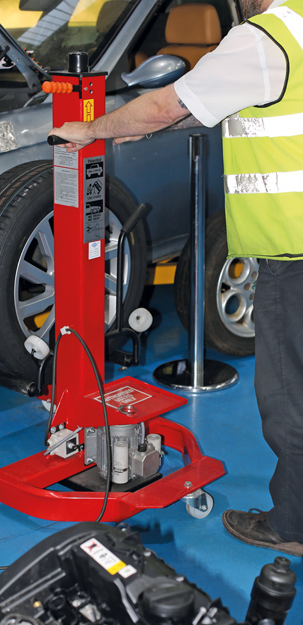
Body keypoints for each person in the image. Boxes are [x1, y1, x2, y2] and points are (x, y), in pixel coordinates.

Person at [49, 0, 303, 556]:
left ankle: (294, 526)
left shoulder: (264, 38)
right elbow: (208, 103)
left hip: (294, 252)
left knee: (289, 396)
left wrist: (92, 128)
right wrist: (138, 129)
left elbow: (168, 103)